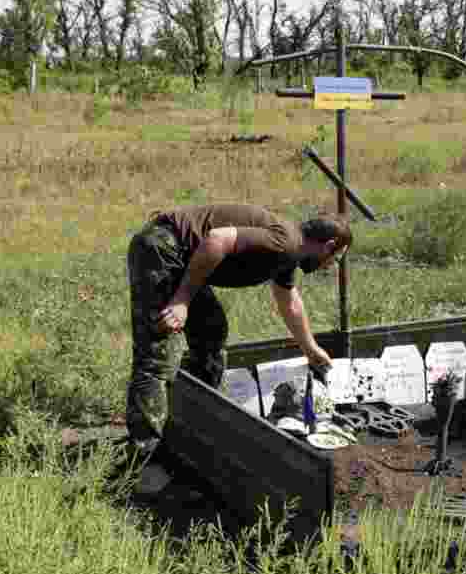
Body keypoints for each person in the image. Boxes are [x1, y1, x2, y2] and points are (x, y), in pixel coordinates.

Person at [125, 203, 350, 492]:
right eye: (335, 259)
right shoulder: (286, 243)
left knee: (211, 332)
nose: (331, 266)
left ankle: (192, 427)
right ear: (328, 245)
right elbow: (217, 240)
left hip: (181, 256)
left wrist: (310, 349)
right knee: (157, 355)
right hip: (162, 249)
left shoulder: (288, 253)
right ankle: (144, 464)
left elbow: (289, 302)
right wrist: (181, 301)